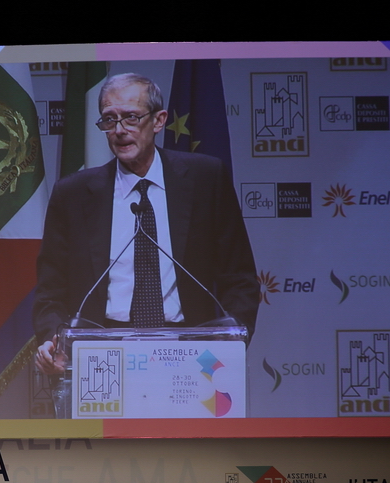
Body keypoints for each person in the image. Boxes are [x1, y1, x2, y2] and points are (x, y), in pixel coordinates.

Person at [33, 72, 258, 377]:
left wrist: (230, 342)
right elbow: (51, 291)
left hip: (190, 352)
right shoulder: (73, 194)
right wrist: (52, 340)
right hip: (101, 354)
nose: (120, 130)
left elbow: (240, 278)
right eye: (109, 120)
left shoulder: (206, 178)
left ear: (159, 120)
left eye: (131, 118)